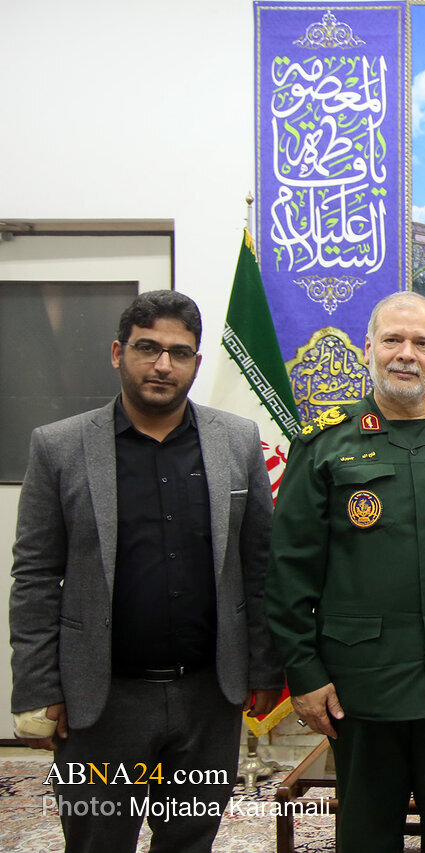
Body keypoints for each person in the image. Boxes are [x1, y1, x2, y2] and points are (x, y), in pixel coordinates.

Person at [9, 290, 282, 852]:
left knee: (190, 839)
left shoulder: (235, 441)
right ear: (118, 352)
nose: (163, 365)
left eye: (179, 353)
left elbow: (258, 565)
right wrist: (39, 687)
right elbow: (35, 577)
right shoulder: (59, 447)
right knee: (97, 841)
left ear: (196, 363)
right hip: (102, 701)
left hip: (207, 697)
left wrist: (263, 667)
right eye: (147, 348)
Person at [266, 292, 425, 852]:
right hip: (361, 685)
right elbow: (289, 570)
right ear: (367, 349)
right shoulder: (325, 444)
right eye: (392, 340)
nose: (406, 354)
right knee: (366, 836)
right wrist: (303, 673)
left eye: (422, 343)